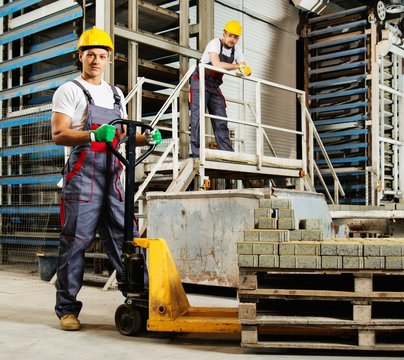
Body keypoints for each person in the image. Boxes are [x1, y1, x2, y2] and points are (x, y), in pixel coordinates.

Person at [51, 26, 162, 331]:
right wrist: (91, 133)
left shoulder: (116, 93)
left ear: (108, 58)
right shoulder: (70, 90)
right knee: (75, 243)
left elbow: (122, 136)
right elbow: (59, 133)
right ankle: (67, 309)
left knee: (125, 239)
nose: (96, 60)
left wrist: (146, 137)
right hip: (82, 179)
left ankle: (140, 299)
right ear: (80, 56)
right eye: (90, 55)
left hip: (112, 176)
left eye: (102, 55)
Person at [190, 20, 252, 158]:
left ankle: (227, 155)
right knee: (197, 117)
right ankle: (197, 154)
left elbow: (243, 66)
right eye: (230, 36)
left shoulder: (237, 50)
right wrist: (238, 67)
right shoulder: (214, 44)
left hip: (214, 85)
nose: (232, 40)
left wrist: (246, 70)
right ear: (224, 34)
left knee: (221, 119)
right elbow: (217, 64)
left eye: (236, 37)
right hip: (200, 81)